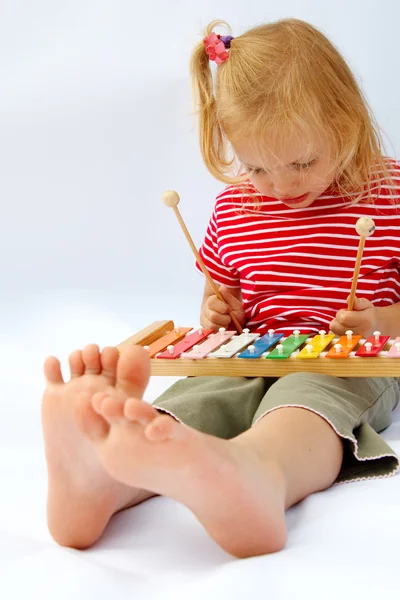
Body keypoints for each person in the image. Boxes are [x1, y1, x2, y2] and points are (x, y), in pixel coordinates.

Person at [42, 18, 400, 558]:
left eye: (301, 162)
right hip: (251, 352)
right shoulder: (235, 208)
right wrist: (217, 313)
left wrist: (376, 322)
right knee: (193, 402)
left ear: (346, 122)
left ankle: (259, 475)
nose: (281, 186)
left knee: (302, 408)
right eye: (257, 167)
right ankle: (103, 478)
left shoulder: (389, 192)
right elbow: (222, 303)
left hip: (346, 361)